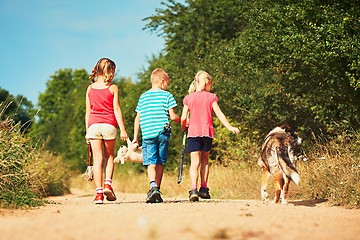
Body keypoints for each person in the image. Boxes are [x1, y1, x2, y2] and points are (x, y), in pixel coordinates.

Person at [181, 70, 240, 202]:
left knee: (194, 163)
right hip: (207, 133)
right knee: (205, 161)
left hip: (193, 133)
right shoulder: (211, 97)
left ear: (196, 82)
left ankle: (193, 190)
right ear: (207, 84)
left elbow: (183, 117)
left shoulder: (188, 98)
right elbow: (219, 114)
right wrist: (229, 127)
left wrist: (184, 127)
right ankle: (203, 188)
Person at [133, 68, 180, 203]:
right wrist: (183, 121)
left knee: (151, 162)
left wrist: (136, 137)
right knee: (160, 162)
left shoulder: (143, 97)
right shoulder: (167, 96)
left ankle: (153, 187)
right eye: (167, 83)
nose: (168, 86)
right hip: (163, 133)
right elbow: (172, 116)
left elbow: (138, 118)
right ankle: (157, 189)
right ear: (162, 82)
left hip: (148, 134)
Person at [85, 58, 128, 204]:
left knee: (98, 160)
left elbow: (88, 111)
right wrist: (122, 129)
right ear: (110, 71)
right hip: (109, 125)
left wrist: (87, 131)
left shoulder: (90, 89)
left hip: (93, 126)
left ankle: (98, 195)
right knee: (109, 156)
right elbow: (116, 109)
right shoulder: (113, 88)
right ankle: (108, 184)